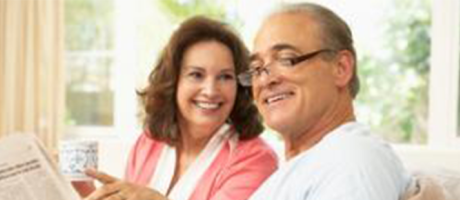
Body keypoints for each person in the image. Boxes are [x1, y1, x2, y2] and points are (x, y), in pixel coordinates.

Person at [76, 16, 278, 200]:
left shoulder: (256, 159)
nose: (210, 90)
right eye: (196, 75)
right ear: (174, 81)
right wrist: (88, 192)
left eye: (225, 77)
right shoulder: (148, 142)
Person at [237, 3, 412, 200]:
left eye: (287, 59)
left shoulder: (351, 162)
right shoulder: (312, 164)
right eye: (257, 67)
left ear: (341, 68)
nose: (265, 79)